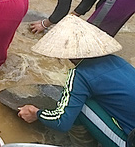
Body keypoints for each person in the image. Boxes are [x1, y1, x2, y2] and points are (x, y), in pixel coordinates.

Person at [18, 15, 135, 147]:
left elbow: (61, 121)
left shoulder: (80, 74)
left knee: (80, 107)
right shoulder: (118, 61)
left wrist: (36, 113)